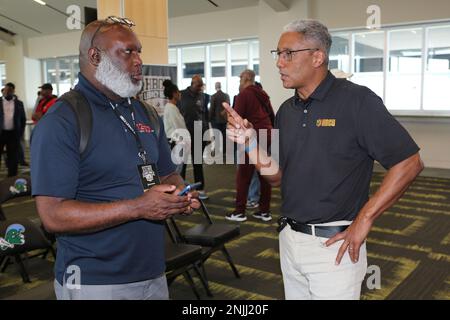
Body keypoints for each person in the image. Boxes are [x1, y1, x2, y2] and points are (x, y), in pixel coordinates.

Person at [224, 19, 423, 299]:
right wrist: (251, 144)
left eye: (288, 54)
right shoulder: (286, 111)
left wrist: (365, 218)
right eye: (277, 54)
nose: (279, 63)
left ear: (317, 56)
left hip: (334, 248)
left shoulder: (357, 101)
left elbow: (409, 162)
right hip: (289, 240)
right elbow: (278, 177)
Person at [30, 16, 200, 300]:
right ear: (95, 56)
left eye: (139, 51)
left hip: (153, 273)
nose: (138, 60)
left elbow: (167, 173)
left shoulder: (145, 112)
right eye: (127, 51)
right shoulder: (63, 120)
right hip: (94, 281)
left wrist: (180, 195)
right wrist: (138, 208)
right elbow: (53, 216)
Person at [226, 69, 274, 223]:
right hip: (268, 135)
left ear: (246, 78)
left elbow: (237, 117)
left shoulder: (244, 95)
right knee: (265, 175)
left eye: (240, 78)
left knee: (243, 176)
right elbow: (272, 116)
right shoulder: (263, 94)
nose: (239, 80)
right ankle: (264, 211)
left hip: (252, 136)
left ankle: (239, 212)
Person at [179, 75, 209, 199]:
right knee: (183, 163)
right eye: (198, 85)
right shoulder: (181, 95)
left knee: (197, 162)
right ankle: (180, 189)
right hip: (185, 132)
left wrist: (207, 132)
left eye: (202, 85)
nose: (200, 87)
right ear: (192, 84)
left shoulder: (203, 96)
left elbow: (204, 115)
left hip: (199, 131)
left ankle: (200, 189)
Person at [163, 79, 189, 174]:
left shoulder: (171, 107)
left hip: (175, 142)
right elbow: (179, 128)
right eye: (178, 92)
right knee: (178, 171)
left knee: (179, 170)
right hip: (176, 143)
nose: (180, 94)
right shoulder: (171, 108)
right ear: (174, 94)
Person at [0, 82, 26, 177]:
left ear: (13, 91)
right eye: (5, 90)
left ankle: (12, 176)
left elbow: (23, 119)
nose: (7, 92)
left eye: (9, 90)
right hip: (1, 133)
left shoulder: (19, 104)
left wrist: (20, 133)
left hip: (13, 134)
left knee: (13, 156)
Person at [209, 81, 230, 159]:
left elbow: (212, 109)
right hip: (224, 120)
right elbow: (228, 106)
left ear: (215, 87)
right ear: (220, 86)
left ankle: (217, 151)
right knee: (224, 136)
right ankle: (224, 152)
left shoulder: (213, 96)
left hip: (216, 120)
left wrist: (209, 118)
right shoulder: (226, 96)